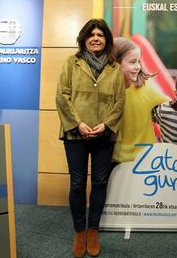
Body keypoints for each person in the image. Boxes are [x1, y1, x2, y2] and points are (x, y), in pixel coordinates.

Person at [55, 19, 125, 258]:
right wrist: (78, 123)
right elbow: (62, 96)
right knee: (77, 183)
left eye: (101, 35)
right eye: (92, 34)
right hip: (75, 134)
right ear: (84, 38)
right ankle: (79, 232)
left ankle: (93, 230)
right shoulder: (71, 63)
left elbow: (120, 102)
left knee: (99, 183)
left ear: (107, 40)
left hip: (104, 135)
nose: (96, 38)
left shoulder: (115, 68)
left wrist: (105, 125)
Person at [112, 37, 169, 163]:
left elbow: (172, 106)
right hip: (114, 161)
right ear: (115, 63)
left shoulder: (146, 89)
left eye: (139, 62)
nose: (138, 67)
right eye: (132, 62)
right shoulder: (107, 93)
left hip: (144, 159)